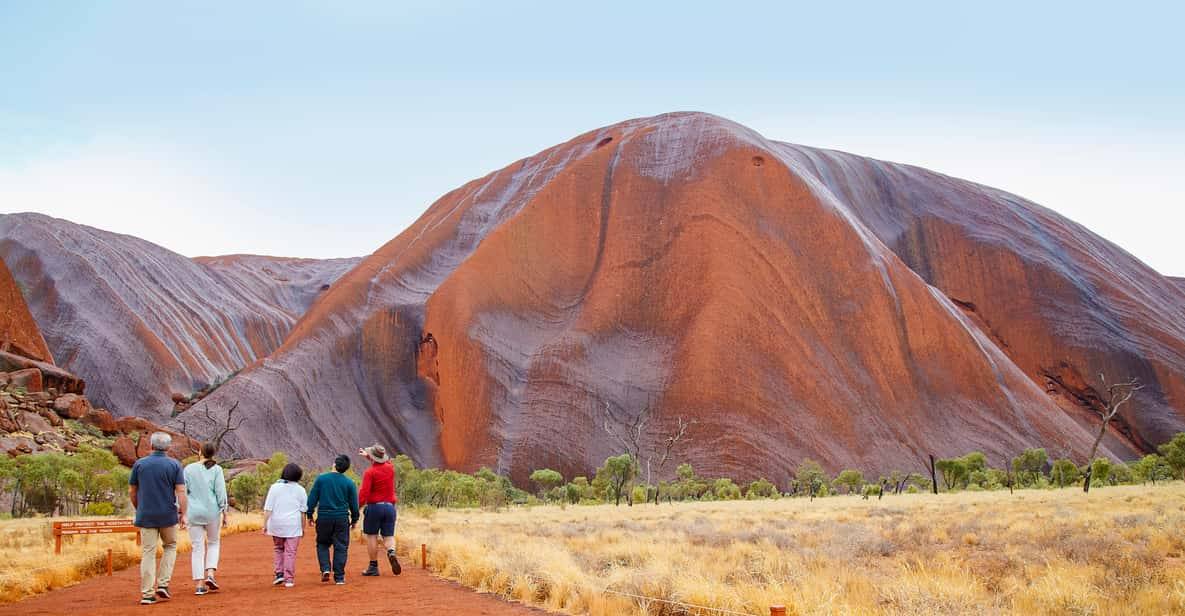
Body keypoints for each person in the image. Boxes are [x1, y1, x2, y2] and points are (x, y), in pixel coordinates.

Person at [128, 432, 187, 605]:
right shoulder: (174, 465)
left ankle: (147, 593)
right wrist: (184, 513)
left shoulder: (140, 464)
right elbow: (181, 491)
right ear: (168, 448)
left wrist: (139, 508)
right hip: (168, 515)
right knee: (170, 546)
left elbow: (132, 491)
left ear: (151, 446)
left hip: (146, 515)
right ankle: (163, 584)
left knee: (148, 552)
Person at [306, 454, 359, 585]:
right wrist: (354, 519)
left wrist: (309, 514)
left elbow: (312, 498)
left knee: (322, 544)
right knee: (341, 546)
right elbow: (354, 504)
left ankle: (325, 569)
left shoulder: (321, 479)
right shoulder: (349, 483)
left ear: (334, 464)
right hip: (341, 519)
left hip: (324, 517)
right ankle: (339, 577)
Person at [183, 442, 228, 596]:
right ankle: (210, 574)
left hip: (193, 512)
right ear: (213, 454)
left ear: (200, 452)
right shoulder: (217, 469)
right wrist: (225, 512)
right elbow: (220, 492)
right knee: (214, 543)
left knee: (197, 548)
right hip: (212, 512)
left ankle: (200, 585)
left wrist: (181, 512)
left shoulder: (189, 469)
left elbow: (184, 491)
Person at [358, 444, 401, 576]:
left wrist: (357, 507)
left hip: (374, 507)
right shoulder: (390, 469)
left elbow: (364, 493)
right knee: (389, 536)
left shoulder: (370, 472)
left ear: (372, 457)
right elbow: (386, 462)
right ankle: (391, 552)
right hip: (389, 507)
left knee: (372, 536)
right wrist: (370, 457)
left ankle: (373, 567)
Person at [263, 463, 308, 587]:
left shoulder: (274, 488)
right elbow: (303, 511)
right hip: (293, 525)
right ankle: (289, 579)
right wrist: (303, 527)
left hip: (276, 524)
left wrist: (265, 524)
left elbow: (268, 508)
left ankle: (279, 574)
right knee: (290, 552)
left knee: (278, 549)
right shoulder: (301, 490)